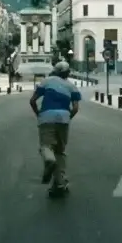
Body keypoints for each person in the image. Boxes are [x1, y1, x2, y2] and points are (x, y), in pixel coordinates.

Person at [29, 61, 80, 193]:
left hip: (46, 117)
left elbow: (32, 100)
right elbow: (75, 108)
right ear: (68, 73)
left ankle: (49, 160)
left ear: (55, 71)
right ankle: (59, 183)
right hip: (63, 118)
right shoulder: (72, 86)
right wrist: (67, 118)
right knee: (60, 152)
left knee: (46, 146)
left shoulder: (46, 81)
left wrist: (38, 114)